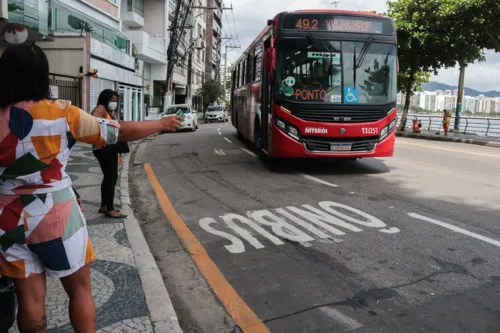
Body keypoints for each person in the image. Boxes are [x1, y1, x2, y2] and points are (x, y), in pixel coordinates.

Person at [0, 44, 181, 333]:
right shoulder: (62, 113)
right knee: (80, 289)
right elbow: (116, 132)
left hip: (8, 217)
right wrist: (159, 123)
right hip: (56, 214)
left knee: (30, 300)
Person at [91, 89, 126, 219]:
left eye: (116, 101)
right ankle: (110, 209)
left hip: (105, 148)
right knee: (111, 178)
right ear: (105, 99)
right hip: (105, 148)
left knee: (108, 177)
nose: (114, 103)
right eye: (112, 100)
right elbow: (94, 118)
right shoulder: (101, 108)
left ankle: (104, 205)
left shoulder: (108, 111)